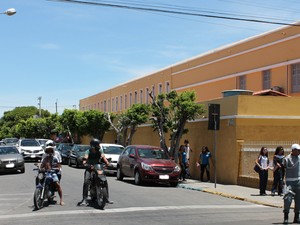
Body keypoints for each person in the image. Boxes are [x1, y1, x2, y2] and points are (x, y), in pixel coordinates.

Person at [78, 138, 113, 206]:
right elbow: (85, 158)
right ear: (94, 145)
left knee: (105, 181)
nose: (99, 146)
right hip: (90, 168)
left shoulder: (100, 150)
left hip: (98, 167)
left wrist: (107, 163)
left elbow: (103, 157)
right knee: (86, 181)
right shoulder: (88, 151)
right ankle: (84, 199)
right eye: (98, 144)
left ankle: (107, 198)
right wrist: (84, 162)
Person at [282, 143, 300, 224]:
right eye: (298, 150)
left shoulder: (299, 158)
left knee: (298, 200)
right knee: (287, 200)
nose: (299, 151)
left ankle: (296, 217)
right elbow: (282, 170)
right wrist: (281, 180)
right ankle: (286, 217)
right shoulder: (287, 159)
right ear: (293, 150)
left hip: (298, 182)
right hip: (289, 183)